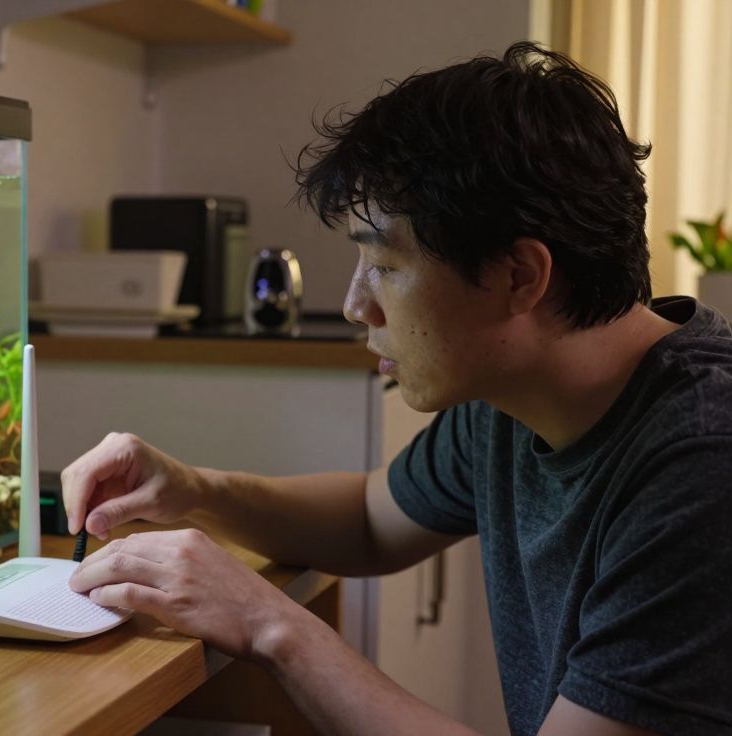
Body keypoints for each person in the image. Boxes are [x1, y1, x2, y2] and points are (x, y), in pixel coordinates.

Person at [62, 42, 732, 736]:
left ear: (519, 277)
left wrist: (268, 624)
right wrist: (193, 490)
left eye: (382, 263)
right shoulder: (516, 395)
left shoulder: (702, 462)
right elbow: (369, 519)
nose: (356, 304)